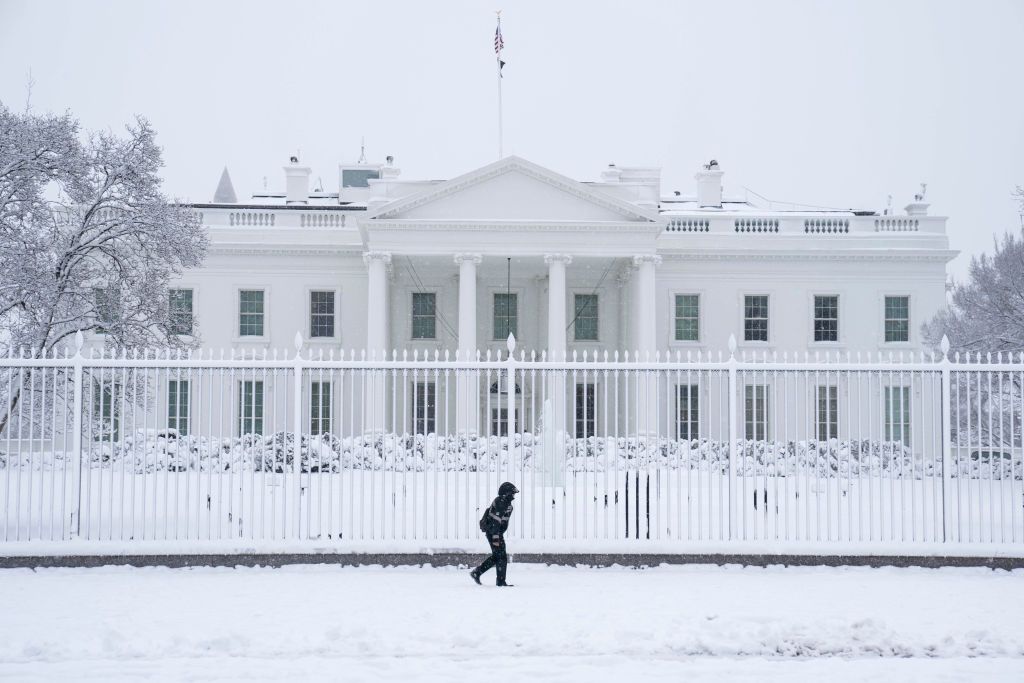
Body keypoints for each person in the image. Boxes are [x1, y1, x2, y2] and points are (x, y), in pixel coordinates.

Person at [470, 481, 518, 587]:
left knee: (498, 556)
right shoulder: (501, 503)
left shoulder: (505, 503)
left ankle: (477, 573)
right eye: (512, 493)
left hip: (495, 533)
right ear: (506, 493)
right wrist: (496, 537)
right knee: (501, 557)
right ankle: (499, 581)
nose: (513, 496)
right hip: (494, 533)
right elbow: (496, 522)